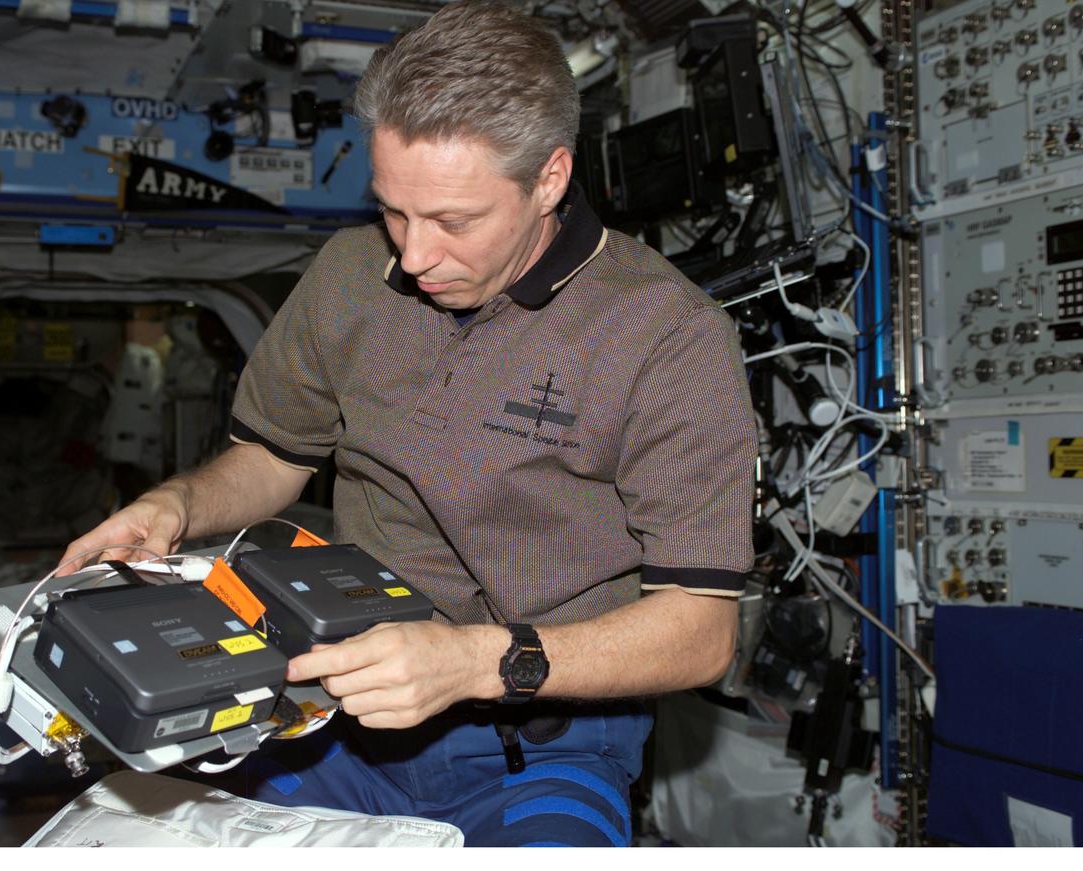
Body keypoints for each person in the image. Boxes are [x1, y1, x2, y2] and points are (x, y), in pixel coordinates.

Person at [59, 0, 755, 847]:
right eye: (394, 209)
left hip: (540, 744)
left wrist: (473, 661)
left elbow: (702, 629)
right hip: (332, 715)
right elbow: (273, 456)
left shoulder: (668, 336)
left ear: (549, 179)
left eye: (454, 221)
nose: (415, 255)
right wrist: (176, 505)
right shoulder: (349, 274)